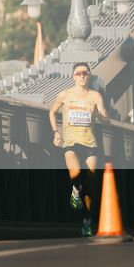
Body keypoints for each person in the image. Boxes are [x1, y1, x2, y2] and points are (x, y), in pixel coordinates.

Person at [48, 63, 108, 235]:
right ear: (73, 76)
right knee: (75, 174)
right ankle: (75, 189)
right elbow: (51, 112)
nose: (82, 76)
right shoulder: (65, 95)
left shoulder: (95, 95)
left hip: (90, 144)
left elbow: (104, 115)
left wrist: (100, 115)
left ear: (89, 76)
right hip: (70, 142)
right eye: (78, 73)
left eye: (85, 73)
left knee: (90, 187)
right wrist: (55, 133)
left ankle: (87, 222)